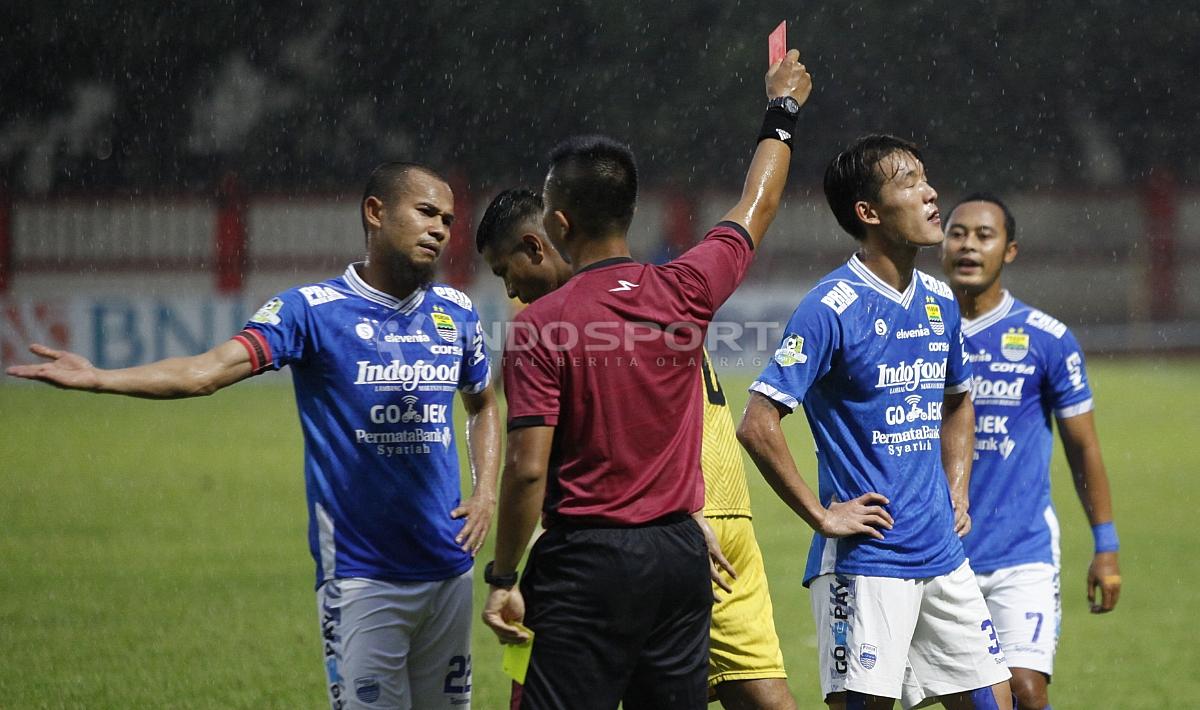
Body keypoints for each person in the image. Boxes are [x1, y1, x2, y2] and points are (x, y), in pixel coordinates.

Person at [6, 162, 501, 710]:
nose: (439, 228)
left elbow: (482, 404)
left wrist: (484, 492)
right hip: (363, 580)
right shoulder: (309, 311)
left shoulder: (455, 312)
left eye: (448, 220)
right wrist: (101, 377)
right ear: (376, 212)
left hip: (450, 570)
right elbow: (206, 372)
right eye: (426, 212)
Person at [479, 50, 811, 710]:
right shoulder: (685, 288)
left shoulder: (541, 325)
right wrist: (782, 111)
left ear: (560, 224)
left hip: (588, 559)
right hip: (681, 555)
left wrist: (505, 572)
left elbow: (525, 471)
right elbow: (759, 201)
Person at [737, 135, 1014, 709]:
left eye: (925, 177)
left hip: (942, 553)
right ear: (868, 213)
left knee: (996, 702)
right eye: (909, 183)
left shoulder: (939, 301)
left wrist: (956, 489)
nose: (930, 192)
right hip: (867, 564)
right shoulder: (830, 307)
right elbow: (757, 422)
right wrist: (820, 515)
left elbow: (959, 400)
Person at [940, 193, 1121, 710]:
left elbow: (1083, 448)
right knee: (970, 700)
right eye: (957, 233)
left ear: (1010, 251)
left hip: (1023, 551)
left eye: (984, 235)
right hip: (941, 553)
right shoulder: (920, 333)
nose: (969, 245)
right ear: (941, 244)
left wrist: (1105, 545)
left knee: (1024, 689)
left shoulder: (1048, 340)